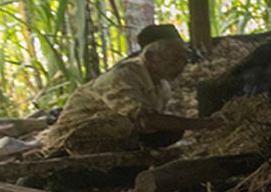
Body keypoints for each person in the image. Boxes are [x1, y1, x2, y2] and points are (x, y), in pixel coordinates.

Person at [40, 36, 223, 154]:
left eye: (184, 59)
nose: (183, 65)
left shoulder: (162, 85)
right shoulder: (124, 75)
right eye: (176, 59)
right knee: (140, 126)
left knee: (171, 130)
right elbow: (145, 120)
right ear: (151, 57)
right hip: (75, 139)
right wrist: (204, 125)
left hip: (114, 137)